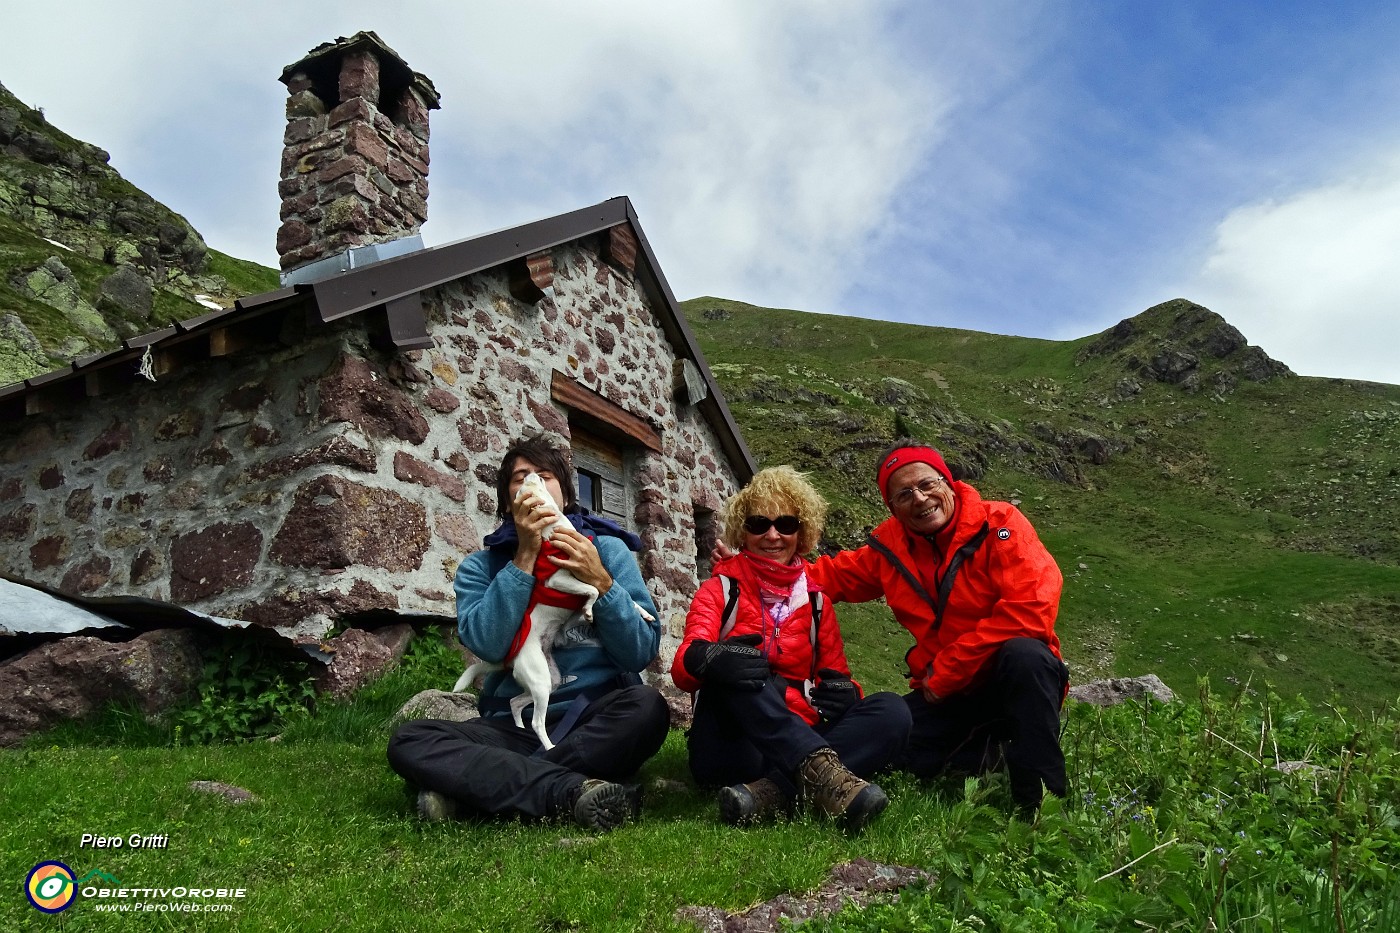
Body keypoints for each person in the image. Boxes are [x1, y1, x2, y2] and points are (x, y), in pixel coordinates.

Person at [388, 436, 668, 832]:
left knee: (647, 708)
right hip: (509, 727)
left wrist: (601, 582)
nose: (533, 483)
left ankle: (478, 794)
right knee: (411, 739)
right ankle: (570, 791)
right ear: (508, 502)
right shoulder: (480, 568)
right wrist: (523, 557)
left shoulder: (607, 551)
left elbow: (639, 652)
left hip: (594, 718)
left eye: (545, 476)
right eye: (521, 478)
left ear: (566, 497)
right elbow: (487, 644)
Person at [806, 440, 1069, 811]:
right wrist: (746, 571)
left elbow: (1031, 610)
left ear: (947, 482)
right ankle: (795, 772)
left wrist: (949, 669)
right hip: (948, 695)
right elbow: (825, 578)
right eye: (904, 494)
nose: (920, 498)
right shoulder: (890, 549)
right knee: (889, 732)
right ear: (892, 508)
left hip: (1003, 682)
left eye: (928, 484)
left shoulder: (1000, 524)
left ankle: (1042, 807)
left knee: (1026, 655)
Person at [672, 466, 910, 833]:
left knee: (893, 710)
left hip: (795, 737)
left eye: (785, 524)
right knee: (740, 669)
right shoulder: (721, 589)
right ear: (742, 531)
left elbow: (837, 678)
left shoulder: (816, 602)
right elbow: (683, 666)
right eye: (758, 524)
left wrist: (847, 696)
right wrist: (712, 657)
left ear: (802, 533)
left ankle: (770, 794)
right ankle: (822, 777)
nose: (772, 535)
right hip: (733, 748)